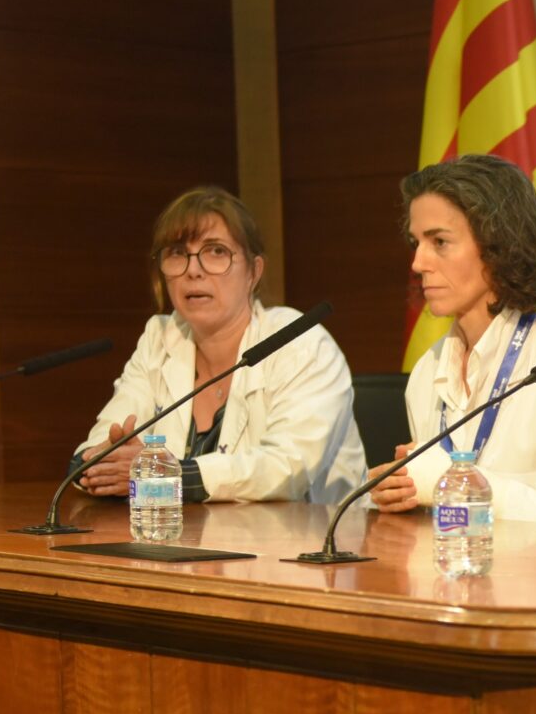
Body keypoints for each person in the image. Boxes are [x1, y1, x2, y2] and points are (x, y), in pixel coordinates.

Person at [365, 154, 536, 522]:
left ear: (498, 246)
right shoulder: (426, 371)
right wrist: (399, 495)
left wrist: (455, 482)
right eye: (416, 242)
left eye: (440, 242)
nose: (418, 263)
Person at [74, 186, 365, 504]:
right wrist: (101, 463)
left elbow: (287, 469)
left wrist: (167, 475)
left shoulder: (300, 341)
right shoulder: (160, 338)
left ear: (253, 272)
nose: (193, 271)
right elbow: (98, 450)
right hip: (186, 534)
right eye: (177, 253)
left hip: (311, 533)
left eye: (216, 252)